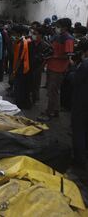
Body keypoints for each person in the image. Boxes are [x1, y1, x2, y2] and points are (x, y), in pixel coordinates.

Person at [38, 18, 75, 122]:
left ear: (65, 27)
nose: (56, 28)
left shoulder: (68, 38)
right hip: (52, 66)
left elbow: (68, 56)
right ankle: (55, 110)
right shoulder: (57, 36)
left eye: (59, 26)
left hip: (58, 68)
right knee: (53, 91)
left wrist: (54, 56)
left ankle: (49, 113)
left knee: (53, 91)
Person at [71, 39, 88, 171]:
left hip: (82, 102)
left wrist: (73, 67)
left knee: (79, 130)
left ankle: (79, 159)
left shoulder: (85, 65)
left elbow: (75, 81)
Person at [10, 25, 32, 109]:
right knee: (18, 86)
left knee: (21, 87)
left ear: (18, 33)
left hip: (22, 68)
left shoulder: (23, 42)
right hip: (18, 66)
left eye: (14, 33)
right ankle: (19, 102)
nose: (12, 34)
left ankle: (21, 104)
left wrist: (14, 71)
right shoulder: (18, 41)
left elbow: (20, 58)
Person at [30, 27, 50, 102]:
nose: (33, 35)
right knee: (29, 81)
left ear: (41, 35)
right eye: (33, 33)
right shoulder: (30, 43)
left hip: (38, 67)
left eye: (35, 34)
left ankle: (35, 98)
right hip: (29, 65)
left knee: (36, 83)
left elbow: (46, 58)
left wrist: (42, 67)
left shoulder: (45, 45)